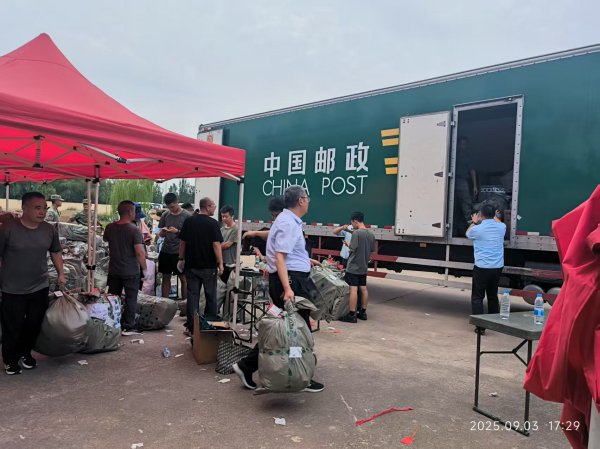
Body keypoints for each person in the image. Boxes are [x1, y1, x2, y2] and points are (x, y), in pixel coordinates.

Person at [232, 185, 324, 393]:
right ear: (300, 200)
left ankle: (248, 366)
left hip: (290, 277)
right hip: (290, 281)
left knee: (285, 329)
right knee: (298, 330)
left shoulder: (286, 220)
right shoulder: (288, 222)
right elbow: (280, 257)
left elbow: (284, 251)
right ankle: (301, 376)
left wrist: (305, 260)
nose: (308, 201)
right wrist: (287, 288)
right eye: (307, 198)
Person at [0, 192, 65, 375]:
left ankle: (25, 353)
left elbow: (56, 252)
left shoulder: (49, 230)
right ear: (24, 208)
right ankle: (10, 359)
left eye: (44, 208)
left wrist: (61, 273)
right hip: (12, 288)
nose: (42, 212)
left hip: (39, 285)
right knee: (12, 325)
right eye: (37, 208)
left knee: (34, 323)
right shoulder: (7, 229)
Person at [177, 197, 223, 330]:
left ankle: (192, 325)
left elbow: (182, 242)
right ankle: (209, 323)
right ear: (207, 207)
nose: (215, 208)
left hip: (191, 265)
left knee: (193, 295)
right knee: (210, 295)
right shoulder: (213, 223)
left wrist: (181, 258)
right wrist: (220, 263)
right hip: (209, 266)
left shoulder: (189, 221)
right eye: (213, 205)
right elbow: (216, 244)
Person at [103, 201, 148, 335]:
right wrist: (145, 269)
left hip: (113, 269)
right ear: (130, 212)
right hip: (130, 270)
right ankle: (128, 326)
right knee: (131, 298)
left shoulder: (110, 227)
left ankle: (112, 323)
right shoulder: (134, 230)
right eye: (134, 211)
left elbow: (106, 240)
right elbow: (140, 252)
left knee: (112, 297)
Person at [466, 204, 506, 332]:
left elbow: (468, 233)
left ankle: (480, 327)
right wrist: (494, 215)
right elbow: (497, 221)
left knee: (478, 297)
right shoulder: (502, 227)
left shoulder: (477, 229)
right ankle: (493, 323)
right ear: (494, 214)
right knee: (492, 295)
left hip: (482, 267)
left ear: (481, 215)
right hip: (497, 267)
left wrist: (474, 222)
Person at [339, 212, 376, 323]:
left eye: (352, 223)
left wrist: (347, 244)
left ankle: (352, 314)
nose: (352, 225)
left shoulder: (357, 233)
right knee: (363, 288)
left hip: (354, 266)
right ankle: (363, 313)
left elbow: (352, 249)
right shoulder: (371, 234)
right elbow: (372, 250)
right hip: (364, 266)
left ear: (355, 221)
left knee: (353, 289)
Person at [158, 193, 191, 301]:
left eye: (172, 206)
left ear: (177, 202)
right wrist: (162, 232)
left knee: (183, 278)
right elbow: (160, 234)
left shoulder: (187, 216)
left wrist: (177, 232)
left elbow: (190, 236)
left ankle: (185, 304)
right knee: (165, 277)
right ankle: (165, 303)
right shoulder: (165, 215)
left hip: (180, 252)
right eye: (168, 207)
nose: (171, 209)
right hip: (166, 250)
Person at [455, 136, 478, 236]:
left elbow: (472, 171)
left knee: (466, 206)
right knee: (453, 207)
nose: (463, 146)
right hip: (452, 181)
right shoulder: (453, 154)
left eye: (465, 144)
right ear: (458, 144)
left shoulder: (468, 157)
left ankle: (470, 230)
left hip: (462, 181)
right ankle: (455, 230)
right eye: (461, 144)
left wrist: (475, 185)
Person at [219, 205, 238, 283]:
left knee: (228, 285)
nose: (224, 218)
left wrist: (215, 247)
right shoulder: (222, 229)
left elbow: (228, 244)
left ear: (232, 216)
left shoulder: (236, 229)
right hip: (221, 261)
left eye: (226, 216)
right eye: (222, 216)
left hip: (230, 263)